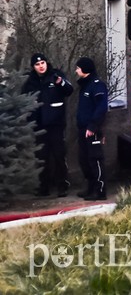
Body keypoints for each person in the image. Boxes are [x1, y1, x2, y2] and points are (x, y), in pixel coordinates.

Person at [21, 53, 74, 197]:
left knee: (59, 155)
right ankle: (43, 187)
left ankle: (62, 186)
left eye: (43, 63)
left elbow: (69, 90)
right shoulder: (30, 81)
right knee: (41, 157)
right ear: (34, 67)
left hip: (56, 124)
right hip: (39, 126)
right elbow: (24, 100)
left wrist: (60, 82)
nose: (41, 66)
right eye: (37, 64)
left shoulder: (55, 75)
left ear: (46, 63)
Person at [74, 57, 109, 200]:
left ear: (85, 69)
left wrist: (93, 126)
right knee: (84, 160)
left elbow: (101, 107)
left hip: (92, 129)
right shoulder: (85, 86)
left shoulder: (97, 85)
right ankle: (90, 187)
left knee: (95, 159)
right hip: (83, 129)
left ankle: (100, 190)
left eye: (78, 68)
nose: (76, 70)